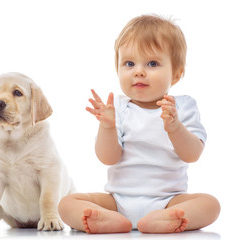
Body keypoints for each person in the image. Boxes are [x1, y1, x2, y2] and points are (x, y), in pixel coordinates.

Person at [58, 15, 220, 234]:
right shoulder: (117, 109)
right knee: (67, 203)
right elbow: (108, 158)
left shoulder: (182, 107)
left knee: (210, 205)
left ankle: (162, 219)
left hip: (169, 201)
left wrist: (175, 128)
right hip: (117, 202)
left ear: (176, 73)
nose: (138, 71)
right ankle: (111, 220)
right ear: (118, 69)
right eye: (129, 63)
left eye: (152, 63)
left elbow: (192, 154)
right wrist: (107, 126)